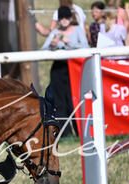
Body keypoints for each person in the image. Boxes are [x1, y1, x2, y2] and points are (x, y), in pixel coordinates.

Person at [41, 6, 89, 137]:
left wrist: (69, 44)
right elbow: (43, 50)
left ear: (71, 18)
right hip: (58, 68)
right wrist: (52, 45)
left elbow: (86, 46)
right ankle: (64, 133)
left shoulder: (77, 30)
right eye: (61, 18)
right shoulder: (55, 32)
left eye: (66, 17)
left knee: (74, 100)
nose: (64, 20)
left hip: (74, 68)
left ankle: (80, 132)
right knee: (59, 101)